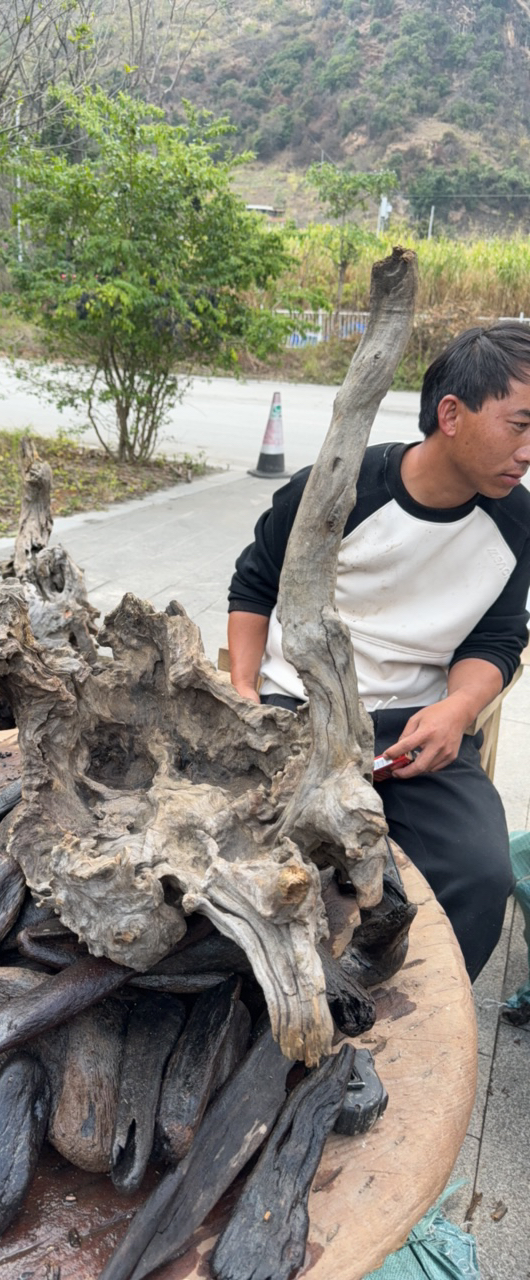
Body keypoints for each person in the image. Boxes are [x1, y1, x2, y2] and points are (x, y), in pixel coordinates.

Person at [228, 323, 530, 982]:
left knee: (482, 874)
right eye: (519, 425)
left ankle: (408, 1019)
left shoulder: (516, 522)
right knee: (260, 868)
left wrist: (458, 709)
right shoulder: (339, 489)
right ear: (451, 414)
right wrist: (245, 696)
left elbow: (499, 636)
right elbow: (254, 582)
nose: (527, 451)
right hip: (294, 713)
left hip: (414, 732)